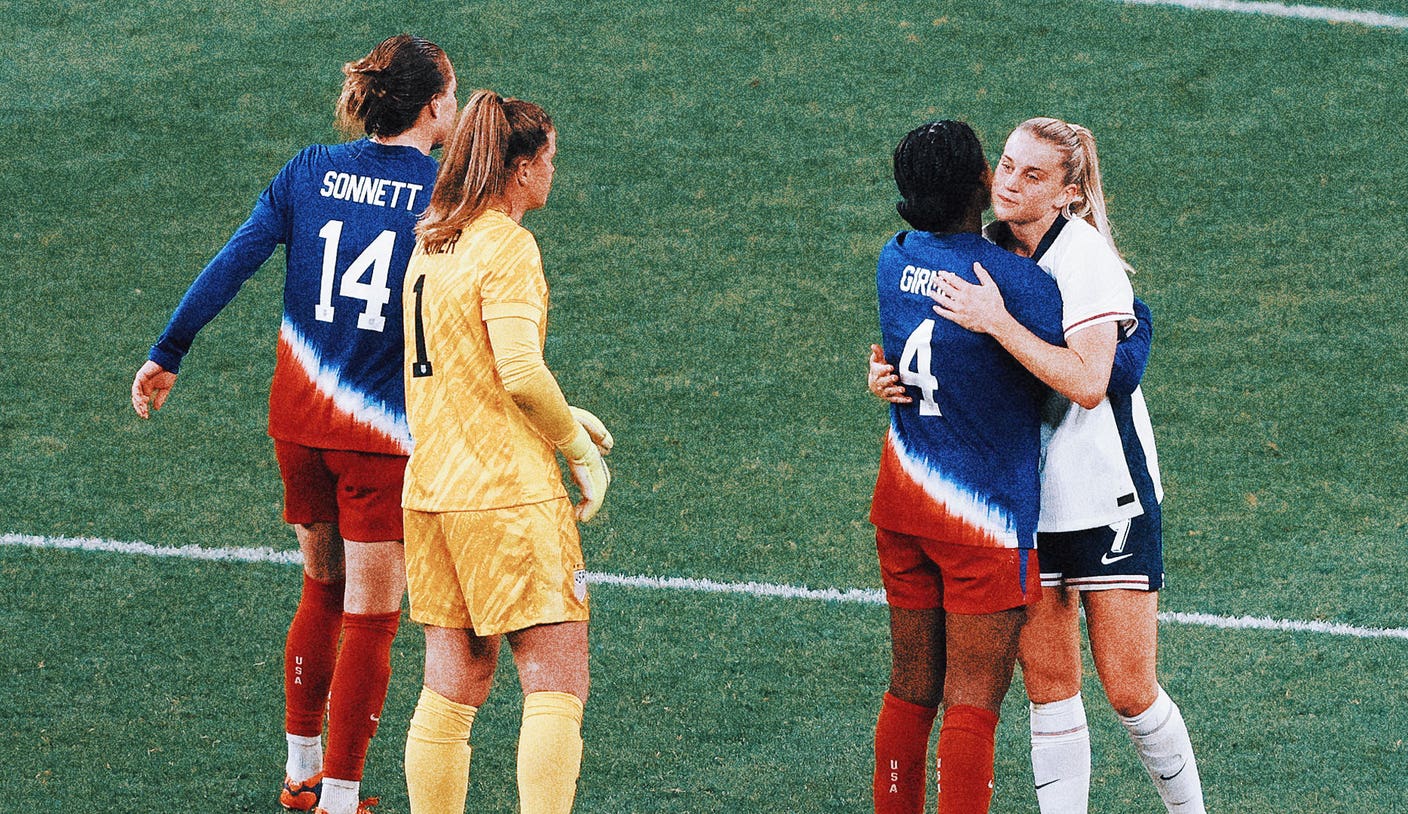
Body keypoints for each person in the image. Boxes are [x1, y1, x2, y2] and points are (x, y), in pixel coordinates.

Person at [129, 35, 458, 814]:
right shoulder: (445, 195)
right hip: (381, 438)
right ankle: (342, 799)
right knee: (373, 622)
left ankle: (301, 775)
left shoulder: (308, 171)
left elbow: (233, 261)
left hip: (298, 424)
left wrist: (168, 350)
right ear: (434, 106)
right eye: (451, 92)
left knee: (319, 588)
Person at [869, 117, 1206, 813]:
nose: (1010, 183)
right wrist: (889, 370)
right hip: (1028, 501)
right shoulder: (994, 251)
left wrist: (999, 323)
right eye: (1008, 165)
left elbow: (1091, 379)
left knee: (1130, 690)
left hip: (1107, 495)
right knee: (1049, 687)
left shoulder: (1084, 263)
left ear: (1068, 194)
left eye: (1033, 174)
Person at [397, 89, 611, 814]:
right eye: (549, 159)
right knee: (556, 680)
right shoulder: (509, 246)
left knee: (451, 687)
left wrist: (559, 406)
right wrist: (575, 445)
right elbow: (518, 370)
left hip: (431, 491)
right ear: (520, 169)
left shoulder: (432, 243)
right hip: (506, 494)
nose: (554, 172)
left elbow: (470, 368)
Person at [869, 119, 1065, 814]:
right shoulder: (1015, 283)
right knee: (974, 704)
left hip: (902, 503)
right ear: (980, 183)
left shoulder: (892, 259)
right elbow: (1096, 374)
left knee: (909, 689)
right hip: (982, 520)